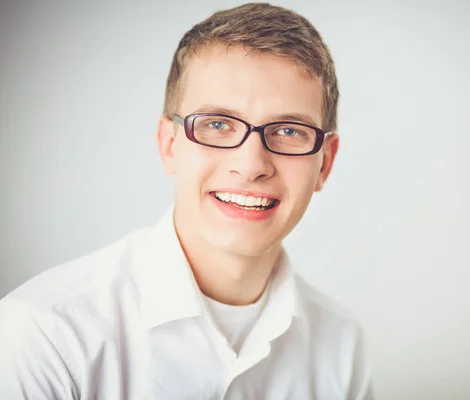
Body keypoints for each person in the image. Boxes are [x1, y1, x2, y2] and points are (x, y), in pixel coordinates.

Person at [0, 3, 372, 399]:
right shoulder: (45, 336)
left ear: (324, 164)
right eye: (216, 124)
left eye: (288, 130)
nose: (250, 166)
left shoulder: (342, 346)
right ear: (168, 145)